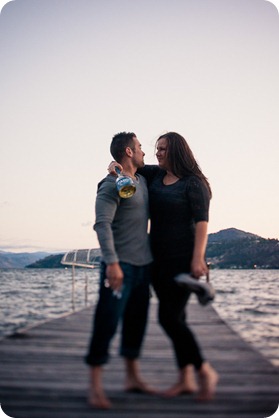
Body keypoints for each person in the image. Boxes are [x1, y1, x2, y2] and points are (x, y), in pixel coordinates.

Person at [109, 132, 219, 401]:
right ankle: (186, 380)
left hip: (182, 260)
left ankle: (204, 371)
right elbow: (126, 165)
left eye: (163, 149)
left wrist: (197, 258)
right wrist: (113, 168)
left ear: (177, 151)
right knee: (176, 318)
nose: (157, 152)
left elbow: (203, 223)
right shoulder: (155, 176)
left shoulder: (194, 184)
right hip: (155, 259)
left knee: (168, 318)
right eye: (156, 148)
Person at [85, 132, 154, 409]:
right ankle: (94, 387)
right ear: (128, 151)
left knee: (136, 324)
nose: (144, 152)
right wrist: (112, 263)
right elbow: (102, 224)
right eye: (140, 147)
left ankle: (132, 377)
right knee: (107, 323)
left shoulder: (143, 181)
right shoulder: (111, 184)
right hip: (119, 266)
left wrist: (115, 164)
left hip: (142, 266)